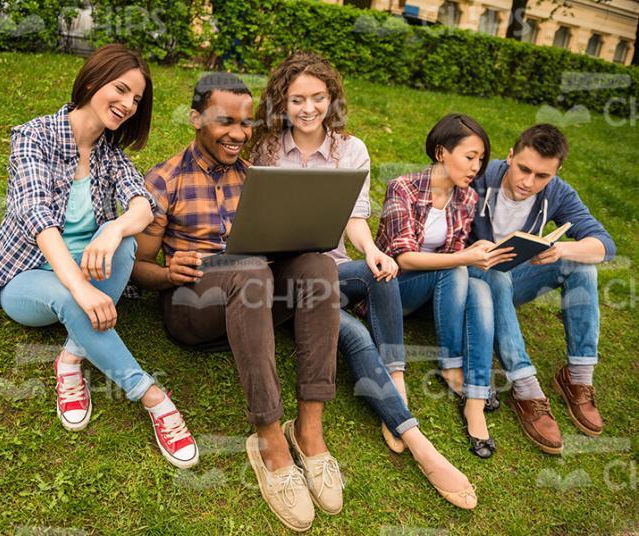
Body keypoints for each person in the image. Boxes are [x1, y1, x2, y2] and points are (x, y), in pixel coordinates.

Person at [249, 51, 477, 509]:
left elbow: (355, 219)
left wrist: (373, 251)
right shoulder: (267, 148)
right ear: (282, 102)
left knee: (384, 269)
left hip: (333, 269)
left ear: (331, 98)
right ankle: (419, 443)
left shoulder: (351, 150)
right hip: (284, 280)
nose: (308, 108)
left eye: (318, 97)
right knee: (350, 332)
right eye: (297, 100)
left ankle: (396, 380)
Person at [131, 72, 343, 532]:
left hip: (256, 298)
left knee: (320, 266)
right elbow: (136, 269)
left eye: (246, 123)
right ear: (195, 118)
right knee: (246, 271)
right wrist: (170, 272)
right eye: (226, 121)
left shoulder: (257, 180)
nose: (238, 134)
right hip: (192, 308)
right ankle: (269, 438)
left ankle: (309, 430)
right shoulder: (164, 180)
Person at [0, 44, 199, 469]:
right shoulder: (34, 137)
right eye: (120, 90)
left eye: (136, 99)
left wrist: (114, 227)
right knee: (68, 298)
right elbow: (37, 220)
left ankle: (71, 356)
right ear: (93, 79)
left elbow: (143, 204)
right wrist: (80, 288)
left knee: (128, 244)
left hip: (86, 272)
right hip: (26, 277)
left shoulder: (109, 155)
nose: (127, 105)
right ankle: (153, 398)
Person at [467, 124, 616, 454]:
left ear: (556, 172)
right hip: (468, 283)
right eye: (523, 169)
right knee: (495, 274)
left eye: (541, 176)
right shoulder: (480, 176)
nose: (528, 182)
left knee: (582, 265)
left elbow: (605, 244)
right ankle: (526, 388)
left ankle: (578, 378)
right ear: (509, 155)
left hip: (510, 281)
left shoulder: (558, 192)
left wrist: (561, 249)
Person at [376, 114, 515, 460]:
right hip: (393, 288)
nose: (476, 167)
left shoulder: (466, 199)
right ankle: (451, 366)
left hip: (436, 294)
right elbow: (404, 258)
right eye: (470, 157)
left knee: (478, 286)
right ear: (441, 152)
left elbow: (457, 260)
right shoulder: (403, 187)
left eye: (481, 159)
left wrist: (473, 257)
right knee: (458, 268)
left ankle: (476, 399)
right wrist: (465, 258)